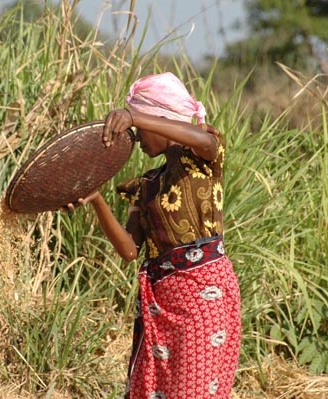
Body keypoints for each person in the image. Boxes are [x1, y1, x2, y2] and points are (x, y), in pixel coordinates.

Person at [68, 72, 241, 398]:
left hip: (203, 299)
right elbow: (130, 249)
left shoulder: (203, 158)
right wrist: (96, 199)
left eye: (141, 127)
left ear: (159, 119)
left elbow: (200, 139)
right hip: (160, 303)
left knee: (193, 391)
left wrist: (135, 115)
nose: (137, 135)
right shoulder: (147, 185)